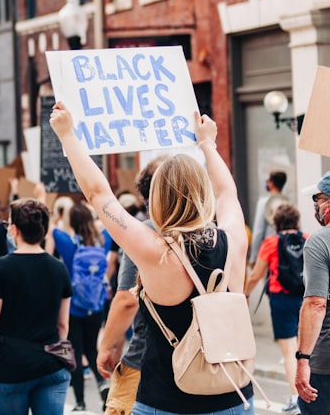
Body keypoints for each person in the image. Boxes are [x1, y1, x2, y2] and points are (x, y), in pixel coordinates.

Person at [51, 104, 254, 413]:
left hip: (165, 399)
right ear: (204, 194)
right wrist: (207, 144)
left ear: (156, 197)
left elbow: (98, 194)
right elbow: (228, 193)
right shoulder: (234, 239)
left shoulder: (154, 251)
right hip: (234, 396)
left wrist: (67, 136)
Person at [0, 199, 72, 414]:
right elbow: (62, 324)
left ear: (14, 230)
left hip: (11, 364)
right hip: (51, 362)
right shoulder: (58, 268)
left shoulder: (1, 268)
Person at [96, 157, 165, 415]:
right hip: (198, 361)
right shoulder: (210, 231)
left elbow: (127, 299)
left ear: (147, 195)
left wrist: (107, 345)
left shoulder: (144, 231)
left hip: (147, 358)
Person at [49, 202, 111, 410]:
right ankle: (103, 384)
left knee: (74, 352)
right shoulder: (103, 242)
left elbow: (51, 229)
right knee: (92, 350)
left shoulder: (68, 244)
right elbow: (111, 225)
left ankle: (80, 402)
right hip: (97, 304)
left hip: (74, 306)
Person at [246, 202, 306, 413]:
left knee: (290, 350)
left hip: (281, 300)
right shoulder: (307, 239)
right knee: (308, 348)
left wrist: (244, 293)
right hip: (305, 298)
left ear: (276, 223)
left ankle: (296, 398)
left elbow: (255, 276)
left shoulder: (271, 242)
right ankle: (312, 394)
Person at [294, 173, 330, 413]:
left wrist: (302, 359)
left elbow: (316, 303)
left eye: (318, 199)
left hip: (325, 362)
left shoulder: (319, 242)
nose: (315, 206)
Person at [251, 170, 289, 265]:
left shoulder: (263, 203)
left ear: (271, 184)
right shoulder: (288, 202)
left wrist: (254, 257)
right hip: (286, 252)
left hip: (269, 252)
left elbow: (258, 233)